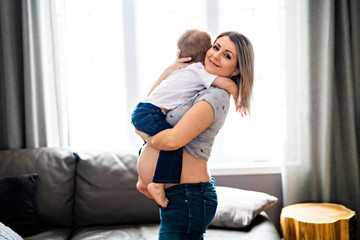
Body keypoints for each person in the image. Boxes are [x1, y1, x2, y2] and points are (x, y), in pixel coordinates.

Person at [135, 31, 254, 239]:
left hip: (187, 197)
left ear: (236, 69)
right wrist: (169, 70)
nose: (216, 55)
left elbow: (172, 141)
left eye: (227, 55)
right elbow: (155, 101)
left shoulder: (214, 96)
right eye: (216, 47)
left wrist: (144, 135)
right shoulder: (196, 86)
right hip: (178, 195)